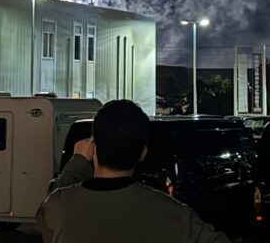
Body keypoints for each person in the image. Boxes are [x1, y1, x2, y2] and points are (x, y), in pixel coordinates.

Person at [36, 99, 230, 243]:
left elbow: (49, 208)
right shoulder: (172, 212)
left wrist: (78, 163)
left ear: (93, 148)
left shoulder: (59, 207)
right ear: (142, 153)